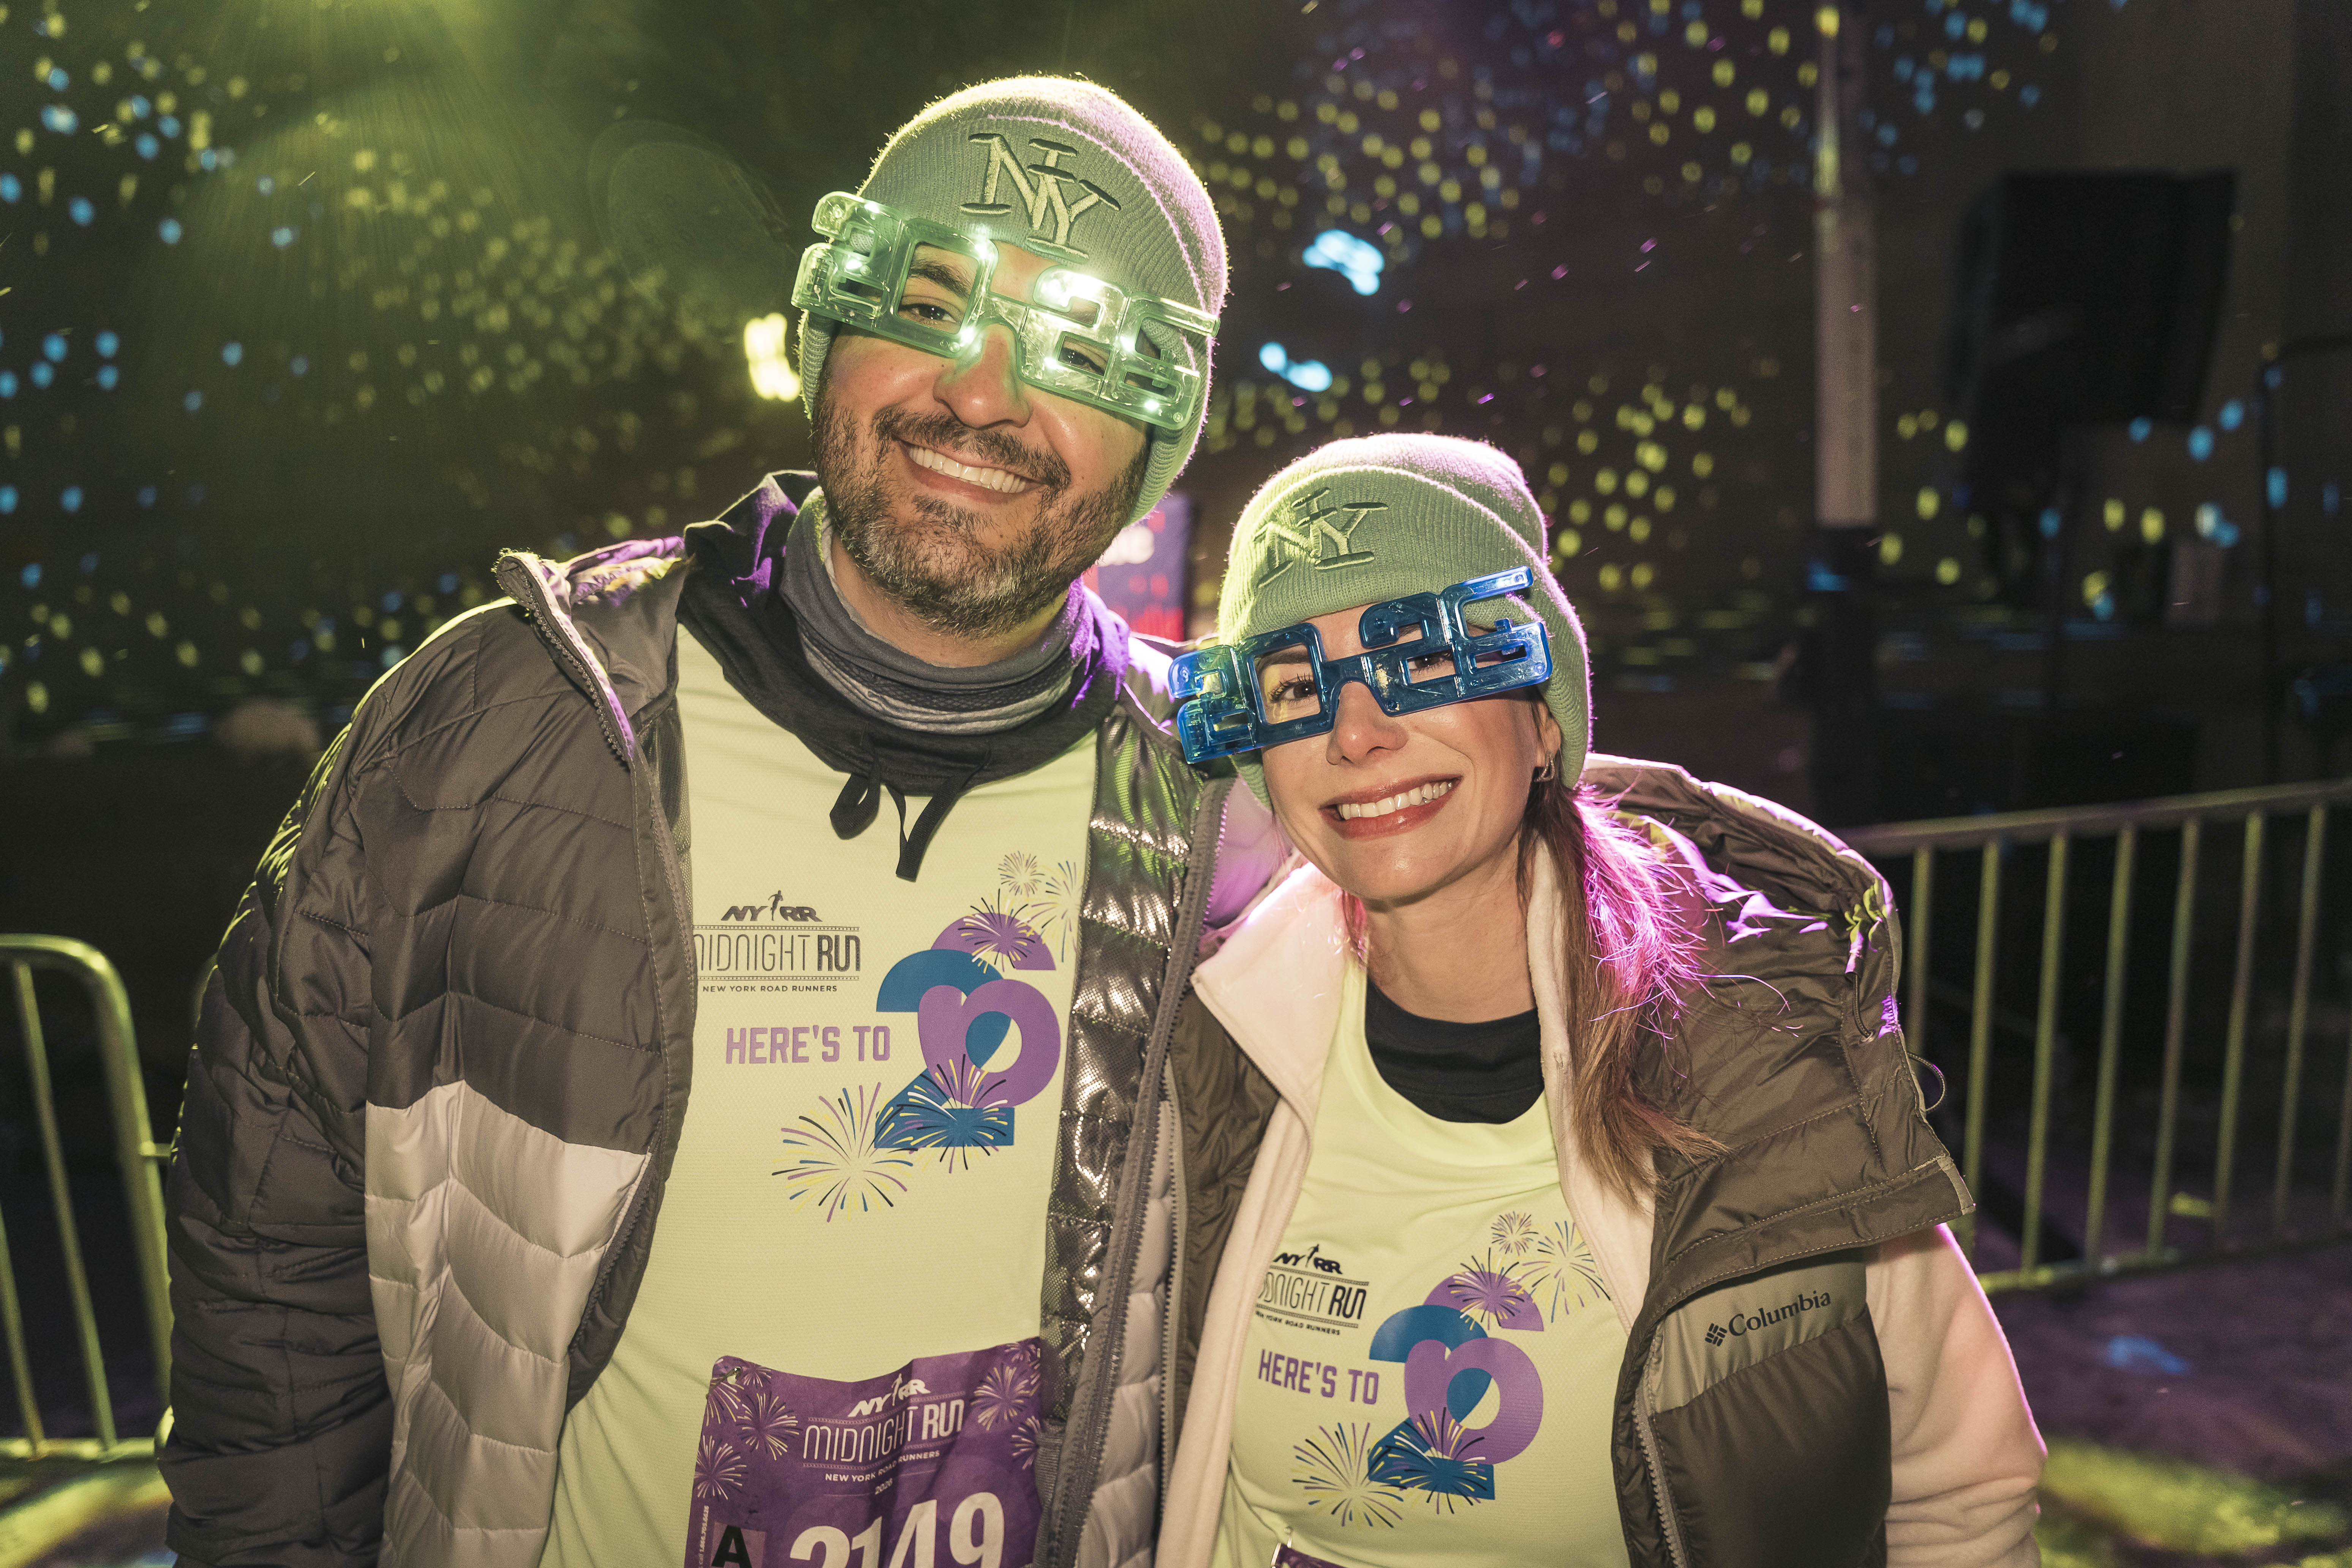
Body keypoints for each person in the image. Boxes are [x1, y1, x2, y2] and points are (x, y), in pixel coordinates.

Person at [161, 77, 1290, 1568]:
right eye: (927, 303)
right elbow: (271, 1256)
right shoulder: (505, 724)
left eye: (1083, 348)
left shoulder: (1231, 801)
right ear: (821, 329)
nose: (981, 395)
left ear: (1160, 430)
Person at [1154, 435, 2045, 1568]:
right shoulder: (1205, 1057)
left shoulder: (1761, 1069)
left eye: (1423, 658)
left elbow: (1962, 1494)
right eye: (1294, 686)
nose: (1358, 732)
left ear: (1544, 717)